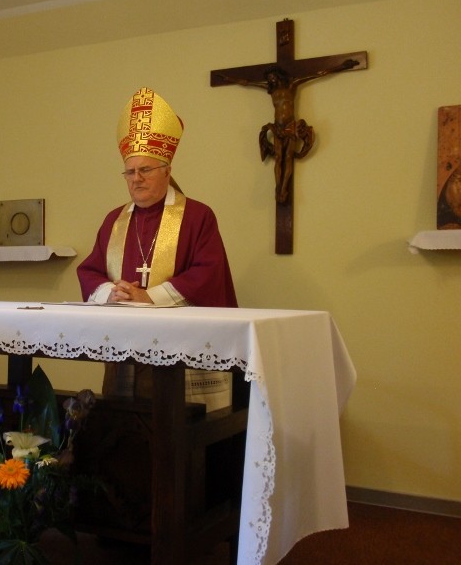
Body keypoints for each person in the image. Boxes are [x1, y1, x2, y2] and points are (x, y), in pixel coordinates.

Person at [77, 87, 238, 409]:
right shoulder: (115, 220)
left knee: (175, 422)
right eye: (130, 171)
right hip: (123, 347)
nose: (136, 178)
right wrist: (114, 293)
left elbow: (208, 273)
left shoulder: (197, 216)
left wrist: (150, 297)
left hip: (182, 349)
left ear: (167, 170)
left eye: (145, 170)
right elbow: (90, 269)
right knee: (123, 421)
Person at [215, 59, 358, 203]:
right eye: (269, 78)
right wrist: (229, 79)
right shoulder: (271, 90)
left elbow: (319, 73)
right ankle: (278, 188)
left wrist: (342, 66)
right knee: (278, 157)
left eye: (272, 76)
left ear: (278, 75)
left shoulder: (292, 85)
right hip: (277, 126)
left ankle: (284, 188)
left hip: (290, 126)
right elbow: (247, 82)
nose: (270, 79)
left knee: (288, 157)